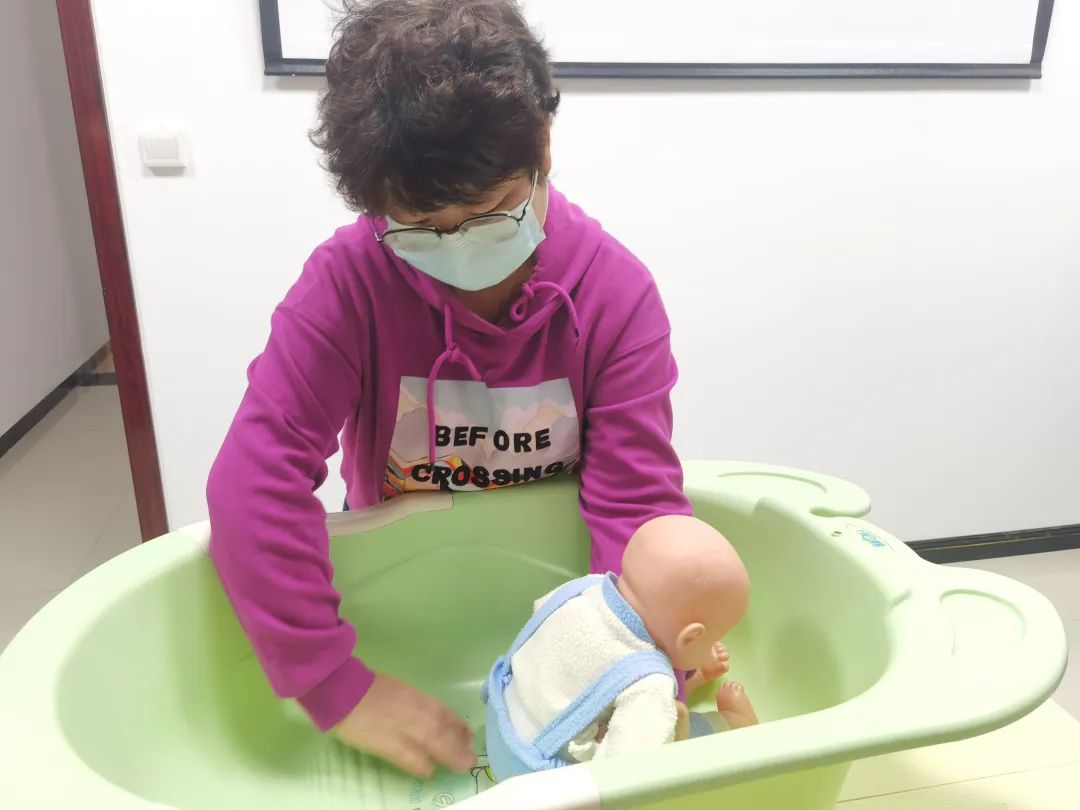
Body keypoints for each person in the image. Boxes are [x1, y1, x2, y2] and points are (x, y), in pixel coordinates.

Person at [207, 0, 693, 779]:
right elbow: (253, 483)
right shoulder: (348, 283)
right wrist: (335, 686)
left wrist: (639, 670)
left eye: (491, 211)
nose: (462, 245)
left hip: (556, 606)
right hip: (401, 604)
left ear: (544, 147)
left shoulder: (615, 295)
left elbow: (635, 510)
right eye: (424, 225)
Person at [483, 516, 758, 781]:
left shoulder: (580, 590)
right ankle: (737, 722)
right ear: (690, 637)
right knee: (684, 732)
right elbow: (630, 775)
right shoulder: (651, 683)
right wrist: (674, 729)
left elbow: (577, 666)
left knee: (615, 690)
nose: (713, 648)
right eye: (709, 642)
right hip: (534, 778)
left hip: (499, 727)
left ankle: (687, 686)